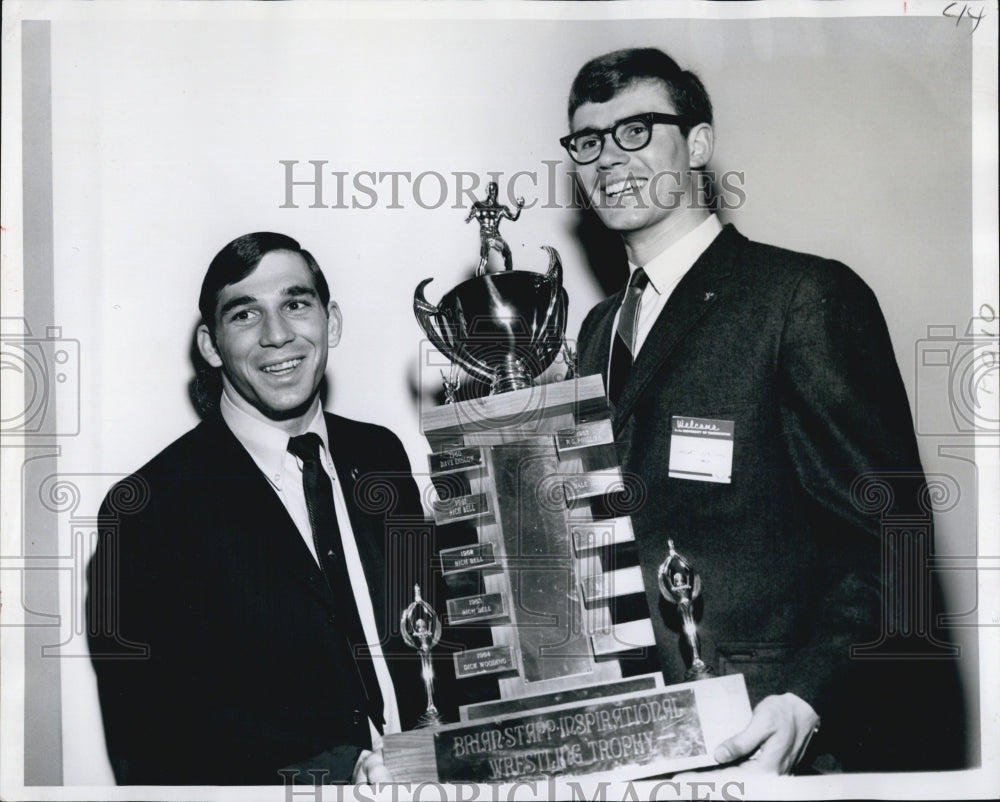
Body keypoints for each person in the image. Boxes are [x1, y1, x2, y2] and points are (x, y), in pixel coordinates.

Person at [560, 48, 965, 773]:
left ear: (700, 144)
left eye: (635, 131)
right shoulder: (594, 332)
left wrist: (808, 699)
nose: (608, 159)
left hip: (776, 735)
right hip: (638, 739)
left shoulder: (800, 297)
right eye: (588, 140)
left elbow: (891, 535)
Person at [86, 232, 439, 784]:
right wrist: (342, 775)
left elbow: (430, 638)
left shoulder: (380, 455)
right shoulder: (149, 509)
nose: (278, 336)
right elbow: (152, 744)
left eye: (295, 304)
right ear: (210, 345)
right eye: (245, 314)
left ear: (332, 322)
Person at [465, 181, 525, 274]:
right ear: (487, 191)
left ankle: (508, 275)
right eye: (490, 189)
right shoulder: (478, 206)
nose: (493, 191)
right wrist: (469, 217)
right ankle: (480, 279)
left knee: (507, 252)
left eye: (494, 190)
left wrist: (519, 208)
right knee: (484, 257)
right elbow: (468, 218)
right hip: (485, 234)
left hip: (496, 235)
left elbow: (513, 218)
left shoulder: (501, 209)